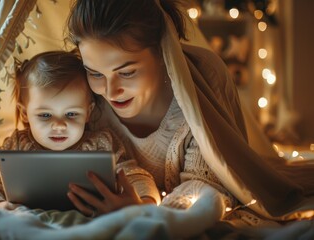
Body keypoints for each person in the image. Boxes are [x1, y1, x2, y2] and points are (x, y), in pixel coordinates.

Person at [66, 0, 314, 223]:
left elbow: (208, 186)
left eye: (127, 72)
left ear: (163, 52)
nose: (110, 91)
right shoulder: (85, 98)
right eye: (95, 73)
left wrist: (145, 210)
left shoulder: (203, 78)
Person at [0, 51, 160, 215]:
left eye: (71, 114)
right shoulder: (18, 144)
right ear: (25, 113)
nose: (59, 125)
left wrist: (145, 203)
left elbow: (136, 176)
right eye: (45, 115)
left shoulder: (102, 143)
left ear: (88, 112)